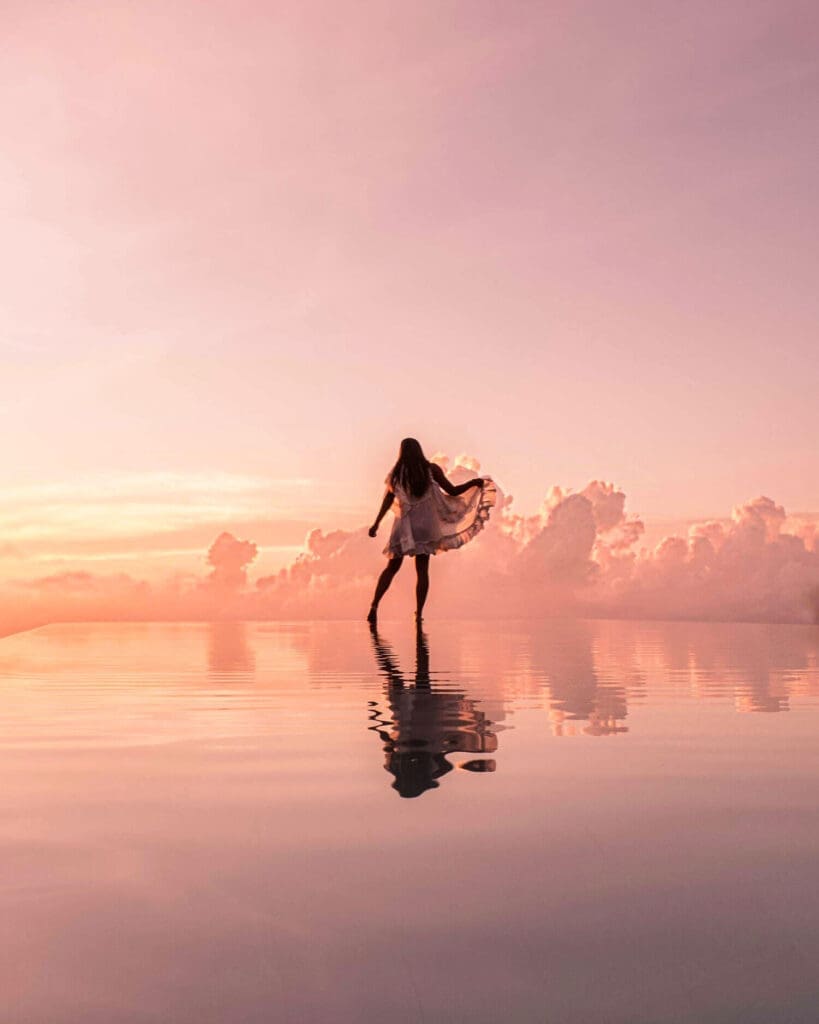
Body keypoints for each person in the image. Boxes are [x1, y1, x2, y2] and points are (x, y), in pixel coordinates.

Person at [366, 437, 496, 624]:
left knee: (392, 567)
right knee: (422, 570)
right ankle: (418, 614)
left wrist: (376, 523)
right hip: (425, 526)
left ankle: (374, 606)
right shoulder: (431, 469)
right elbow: (452, 491)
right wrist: (473, 483)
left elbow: (387, 500)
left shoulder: (397, 474)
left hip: (404, 525)